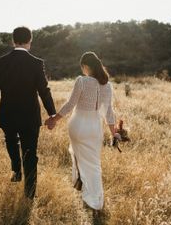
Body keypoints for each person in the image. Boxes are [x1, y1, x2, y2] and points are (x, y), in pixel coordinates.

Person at [0, 26, 56, 199]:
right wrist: (52, 113)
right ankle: (29, 194)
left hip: (8, 114)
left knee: (11, 141)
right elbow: (44, 90)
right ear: (30, 40)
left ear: (13, 41)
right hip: (30, 116)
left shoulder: (1, 62)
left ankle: (16, 168)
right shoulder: (37, 63)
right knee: (31, 153)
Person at [45, 51, 117, 216]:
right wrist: (114, 133)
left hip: (78, 127)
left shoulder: (82, 81)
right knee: (94, 165)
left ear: (85, 66)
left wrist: (54, 119)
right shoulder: (107, 86)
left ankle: (85, 189)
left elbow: (70, 105)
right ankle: (95, 202)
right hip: (95, 129)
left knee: (79, 157)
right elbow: (109, 113)